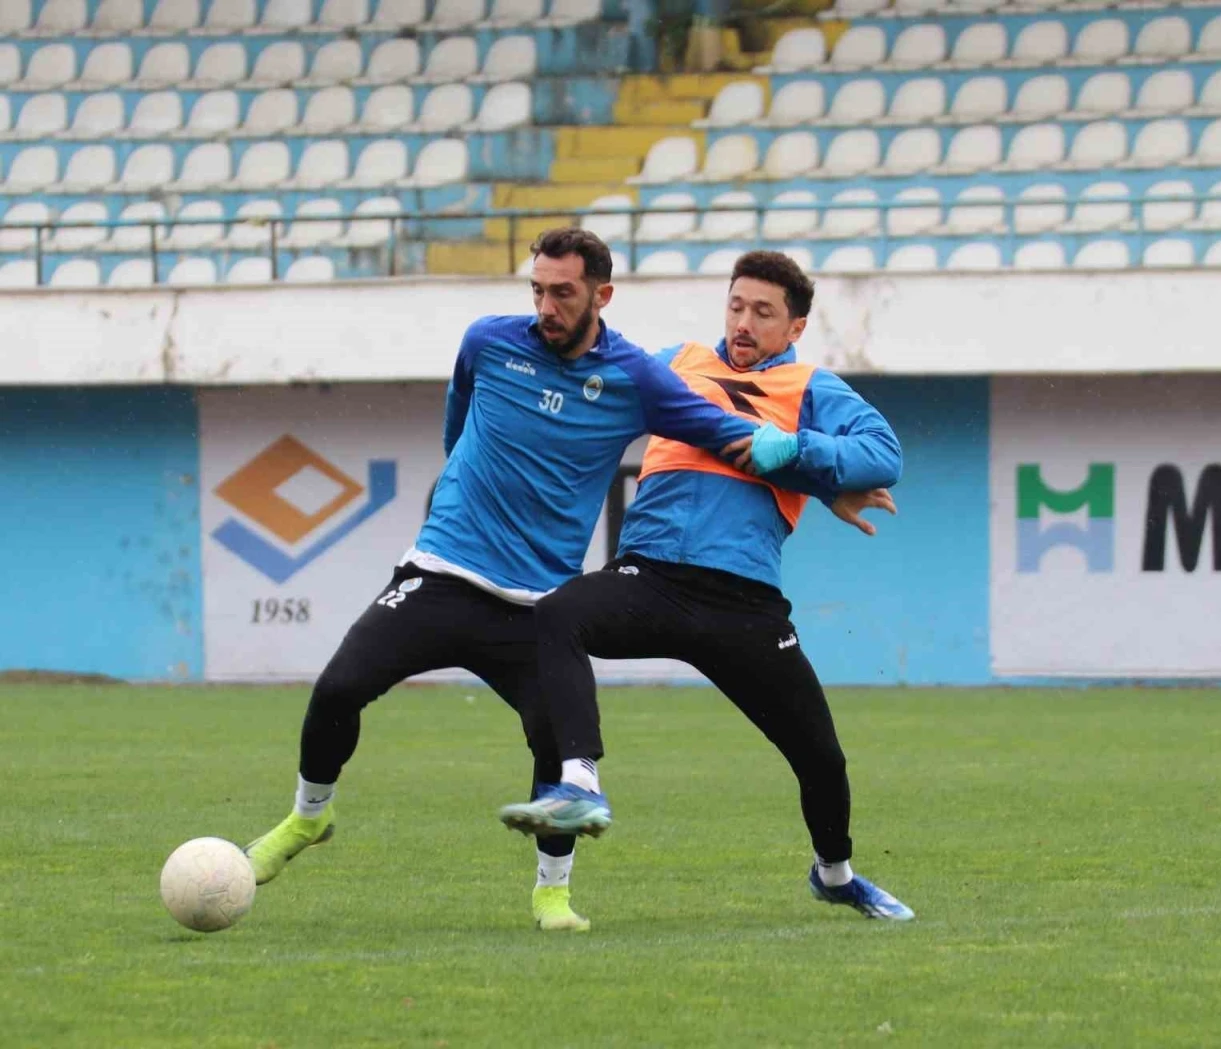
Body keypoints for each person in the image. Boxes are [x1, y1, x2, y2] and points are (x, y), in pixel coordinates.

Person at [243, 230, 834, 933]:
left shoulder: (636, 378)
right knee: (339, 688)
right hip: (444, 570)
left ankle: (552, 894)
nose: (546, 306)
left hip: (535, 600)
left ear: (601, 295)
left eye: (563, 293)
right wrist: (463, 493)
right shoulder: (488, 341)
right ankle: (309, 816)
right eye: (538, 290)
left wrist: (830, 478)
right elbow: (458, 420)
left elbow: (725, 433)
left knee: (555, 747)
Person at [498, 250, 915, 921]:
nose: (744, 322)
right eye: (736, 305)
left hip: (742, 603)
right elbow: (594, 394)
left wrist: (800, 451)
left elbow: (882, 454)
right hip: (649, 576)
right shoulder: (677, 363)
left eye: (763, 312)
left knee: (820, 757)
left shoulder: (810, 386)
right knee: (557, 615)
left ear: (795, 327)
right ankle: (573, 801)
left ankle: (835, 875)